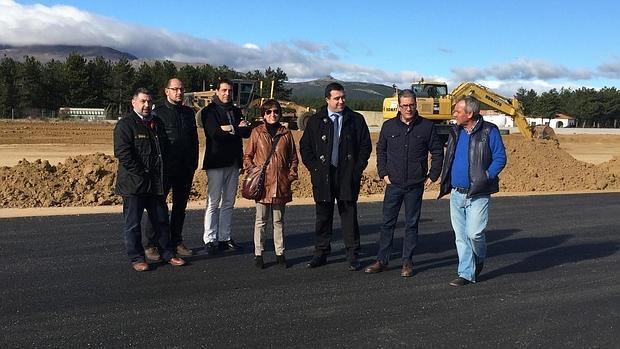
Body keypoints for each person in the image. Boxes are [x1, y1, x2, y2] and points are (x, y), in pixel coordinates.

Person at [364, 89, 444, 277]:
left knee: (411, 224)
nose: (408, 108)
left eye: (412, 105)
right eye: (405, 105)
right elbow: (381, 150)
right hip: (394, 185)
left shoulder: (426, 127)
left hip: (415, 185)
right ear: (398, 107)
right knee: (387, 223)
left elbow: (438, 152)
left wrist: (433, 175)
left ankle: (407, 262)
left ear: (416, 105)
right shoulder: (389, 126)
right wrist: (383, 174)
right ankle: (382, 260)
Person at [299, 82, 372, 271]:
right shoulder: (315, 121)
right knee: (323, 215)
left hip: (347, 175)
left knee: (349, 214)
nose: (341, 101)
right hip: (324, 174)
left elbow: (365, 146)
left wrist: (357, 169)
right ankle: (321, 253)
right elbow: (305, 147)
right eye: (337, 98)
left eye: (343, 97)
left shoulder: (356, 120)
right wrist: (315, 168)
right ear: (327, 99)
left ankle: (352, 254)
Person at [113, 88, 186, 271]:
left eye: (149, 102)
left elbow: (165, 150)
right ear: (134, 102)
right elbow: (123, 153)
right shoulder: (126, 125)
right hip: (134, 184)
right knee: (133, 224)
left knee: (161, 220)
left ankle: (167, 253)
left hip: (155, 183)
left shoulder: (156, 123)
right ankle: (137, 258)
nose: (146, 105)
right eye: (143, 101)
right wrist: (142, 171)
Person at [438, 96, 507, 286]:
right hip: (456, 192)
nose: (454, 114)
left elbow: (500, 157)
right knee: (460, 236)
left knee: (475, 233)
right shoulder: (455, 131)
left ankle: (479, 258)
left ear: (469, 113)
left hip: (478, 192)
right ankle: (466, 273)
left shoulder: (489, 131)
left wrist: (486, 176)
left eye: (458, 111)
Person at [142, 78, 198, 261]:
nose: (179, 92)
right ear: (166, 91)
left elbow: (194, 140)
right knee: (157, 207)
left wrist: (194, 163)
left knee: (180, 207)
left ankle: (176, 241)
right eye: (175, 89)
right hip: (164, 169)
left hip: (184, 168)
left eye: (181, 89)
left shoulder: (189, 113)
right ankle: (151, 244)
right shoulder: (157, 114)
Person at [243, 99, 299, 269]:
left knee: (278, 221)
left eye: (275, 111)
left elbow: (294, 158)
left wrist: (290, 176)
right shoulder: (257, 133)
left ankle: (280, 253)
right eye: (268, 112)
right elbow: (247, 156)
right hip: (263, 184)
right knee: (261, 220)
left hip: (280, 184)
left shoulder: (286, 134)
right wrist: (254, 171)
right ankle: (258, 254)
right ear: (263, 115)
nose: (272, 115)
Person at [201, 79, 251, 254]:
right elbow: (214, 134)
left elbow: (247, 132)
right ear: (216, 91)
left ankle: (225, 237)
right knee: (213, 202)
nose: (227, 94)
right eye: (223, 90)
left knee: (229, 202)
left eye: (229, 91)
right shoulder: (208, 112)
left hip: (233, 162)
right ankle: (210, 238)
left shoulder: (236, 111)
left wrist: (230, 129)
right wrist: (236, 129)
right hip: (216, 162)